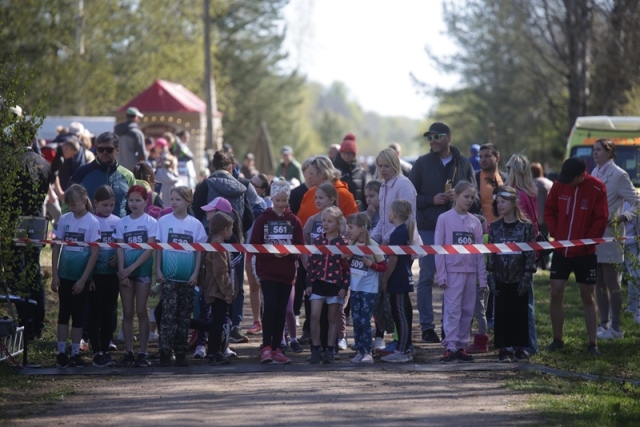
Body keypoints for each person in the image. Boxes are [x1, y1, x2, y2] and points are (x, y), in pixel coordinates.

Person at [409, 122, 476, 344]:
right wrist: (432, 200)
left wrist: (460, 199)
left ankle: (450, 327)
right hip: (428, 227)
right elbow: (410, 198)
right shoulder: (421, 163)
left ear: (448, 137)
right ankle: (427, 327)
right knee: (427, 277)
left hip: (457, 229)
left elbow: (473, 195)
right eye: (429, 138)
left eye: (437, 136)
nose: (433, 141)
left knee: (454, 278)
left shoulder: (463, 163)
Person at [544, 157, 608, 356]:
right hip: (561, 250)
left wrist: (586, 243)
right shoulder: (559, 185)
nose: (566, 181)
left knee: (587, 295)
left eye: (570, 178)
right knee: (556, 292)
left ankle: (592, 343)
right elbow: (549, 211)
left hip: (585, 253)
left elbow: (601, 218)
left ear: (581, 176)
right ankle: (557, 339)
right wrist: (557, 233)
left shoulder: (597, 188)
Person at [250, 180, 304, 364]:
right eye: (278, 200)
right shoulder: (262, 219)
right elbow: (255, 245)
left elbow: (300, 246)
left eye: (284, 200)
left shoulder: (294, 220)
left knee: (281, 309)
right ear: (272, 199)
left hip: (286, 272)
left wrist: (289, 253)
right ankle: (266, 346)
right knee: (270, 306)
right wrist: (271, 254)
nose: (281, 204)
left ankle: (277, 347)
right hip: (267, 271)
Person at [591, 139, 640, 341]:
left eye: (598, 150)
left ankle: (617, 327)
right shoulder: (594, 172)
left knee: (612, 281)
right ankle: (604, 324)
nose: (595, 153)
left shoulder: (619, 175)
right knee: (598, 281)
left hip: (611, 235)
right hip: (594, 235)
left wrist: (623, 217)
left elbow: (637, 202)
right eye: (593, 150)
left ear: (610, 152)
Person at [435, 181, 487, 363]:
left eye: (472, 197)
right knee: (452, 309)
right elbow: (439, 249)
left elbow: (479, 252)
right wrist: (441, 274)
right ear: (456, 196)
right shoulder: (444, 219)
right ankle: (450, 346)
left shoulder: (475, 222)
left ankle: (461, 346)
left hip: (470, 273)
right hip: (452, 273)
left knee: (467, 310)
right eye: (466, 196)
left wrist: (482, 278)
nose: (469, 200)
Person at [155, 186, 207, 367]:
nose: (174, 203)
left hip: (187, 278)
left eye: (178, 199)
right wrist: (158, 270)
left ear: (188, 201)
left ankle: (181, 352)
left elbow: (199, 252)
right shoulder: (163, 222)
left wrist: (195, 273)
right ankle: (164, 352)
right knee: (167, 315)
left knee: (184, 316)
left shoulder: (195, 224)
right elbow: (159, 248)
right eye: (172, 199)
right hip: (168, 278)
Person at [51, 185, 100, 367]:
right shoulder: (64, 219)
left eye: (75, 204)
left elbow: (94, 253)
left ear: (84, 201)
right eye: (70, 205)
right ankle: (61, 352)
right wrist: (54, 274)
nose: (72, 208)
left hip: (81, 276)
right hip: (64, 274)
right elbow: (56, 246)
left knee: (78, 315)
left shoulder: (92, 222)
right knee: (64, 313)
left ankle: (75, 353)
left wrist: (84, 279)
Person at [487, 186, 537, 362]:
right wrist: (490, 275)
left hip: (519, 278)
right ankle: (504, 347)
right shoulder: (494, 227)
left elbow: (530, 254)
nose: (499, 205)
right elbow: (491, 253)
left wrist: (527, 276)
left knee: (520, 313)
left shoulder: (526, 227)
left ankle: (520, 347)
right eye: (498, 202)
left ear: (514, 202)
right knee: (502, 314)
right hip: (501, 277)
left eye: (503, 202)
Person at [114, 185, 158, 367]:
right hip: (125, 273)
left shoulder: (151, 222)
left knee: (141, 311)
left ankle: (143, 352)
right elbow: (119, 249)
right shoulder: (121, 223)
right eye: (131, 200)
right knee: (127, 312)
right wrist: (122, 271)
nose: (134, 204)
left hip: (142, 272)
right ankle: (129, 352)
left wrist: (130, 268)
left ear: (145, 202)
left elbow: (149, 250)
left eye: (138, 200)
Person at [306, 206, 350, 364]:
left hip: (335, 286)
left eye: (330, 221)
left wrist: (344, 287)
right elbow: (311, 263)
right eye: (324, 220)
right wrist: (309, 282)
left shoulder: (343, 243)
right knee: (314, 315)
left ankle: (330, 349)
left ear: (338, 223)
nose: (325, 224)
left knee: (333, 318)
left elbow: (347, 268)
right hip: (318, 284)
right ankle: (316, 348)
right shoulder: (318, 241)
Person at [505, 153, 539, 355]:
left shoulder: (517, 196)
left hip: (519, 255)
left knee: (523, 303)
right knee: (524, 301)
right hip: (529, 252)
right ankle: (523, 343)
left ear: (514, 171)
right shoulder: (530, 192)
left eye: (508, 168)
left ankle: (529, 345)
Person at [345, 213, 387, 363]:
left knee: (365, 320)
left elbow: (383, 266)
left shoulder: (373, 246)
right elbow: (346, 262)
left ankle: (368, 352)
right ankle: (359, 351)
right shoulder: (352, 245)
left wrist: (371, 265)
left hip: (369, 289)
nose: (348, 230)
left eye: (351, 227)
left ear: (362, 229)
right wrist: (347, 258)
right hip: (355, 287)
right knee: (356, 320)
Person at [380, 200, 416, 363]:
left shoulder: (398, 233)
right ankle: (405, 347)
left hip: (398, 279)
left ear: (394, 214)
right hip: (403, 277)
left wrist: (385, 279)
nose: (388, 214)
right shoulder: (404, 231)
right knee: (402, 314)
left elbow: (393, 260)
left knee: (400, 315)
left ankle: (402, 350)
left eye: (389, 211)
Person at [70, 132, 136, 218]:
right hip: (89, 225)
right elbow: (68, 201)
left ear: (117, 150)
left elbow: (135, 204)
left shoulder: (128, 176)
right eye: (101, 149)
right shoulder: (82, 172)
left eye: (109, 149)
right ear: (96, 150)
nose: (104, 152)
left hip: (120, 225)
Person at [89, 185, 120, 367]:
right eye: (104, 205)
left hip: (112, 274)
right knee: (95, 312)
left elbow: (122, 245)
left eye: (111, 205)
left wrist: (118, 257)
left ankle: (106, 347)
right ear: (96, 203)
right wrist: (89, 276)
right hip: (94, 274)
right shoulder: (91, 221)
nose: (108, 209)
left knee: (109, 311)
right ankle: (96, 349)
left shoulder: (118, 222)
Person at [201, 212, 236, 366]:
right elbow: (220, 272)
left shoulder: (214, 244)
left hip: (213, 290)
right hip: (218, 291)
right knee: (217, 323)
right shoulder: (218, 247)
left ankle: (215, 352)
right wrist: (228, 291)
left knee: (216, 321)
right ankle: (213, 353)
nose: (232, 232)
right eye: (231, 229)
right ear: (225, 229)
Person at [296, 156, 359, 230]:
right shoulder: (309, 193)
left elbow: (354, 225)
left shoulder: (343, 194)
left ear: (321, 174)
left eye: (311, 173)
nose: (309, 177)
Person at [333, 133, 368, 211]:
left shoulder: (360, 171)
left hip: (357, 210)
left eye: (349, 153)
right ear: (340, 153)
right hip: (338, 210)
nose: (347, 155)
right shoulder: (334, 169)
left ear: (354, 154)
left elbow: (364, 195)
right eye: (344, 153)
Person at [472, 143, 506, 223]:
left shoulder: (506, 179)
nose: (483, 160)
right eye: (481, 157)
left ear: (497, 158)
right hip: (482, 228)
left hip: (504, 228)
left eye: (487, 156)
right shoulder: (474, 179)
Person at [114, 107, 147, 172]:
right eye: (138, 117)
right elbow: (142, 155)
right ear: (135, 117)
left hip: (117, 167)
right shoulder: (137, 133)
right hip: (132, 169)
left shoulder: (116, 132)